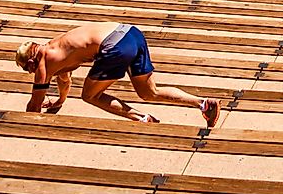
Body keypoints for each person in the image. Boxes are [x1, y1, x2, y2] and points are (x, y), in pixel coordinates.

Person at [14, 22, 219, 126]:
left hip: (114, 46)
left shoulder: (43, 62)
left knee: (89, 95)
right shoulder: (55, 47)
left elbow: (34, 105)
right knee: (149, 92)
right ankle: (204, 104)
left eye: (27, 68)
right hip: (130, 33)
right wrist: (60, 100)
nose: (30, 72)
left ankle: (142, 119)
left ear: (31, 60)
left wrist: (22, 126)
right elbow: (64, 79)